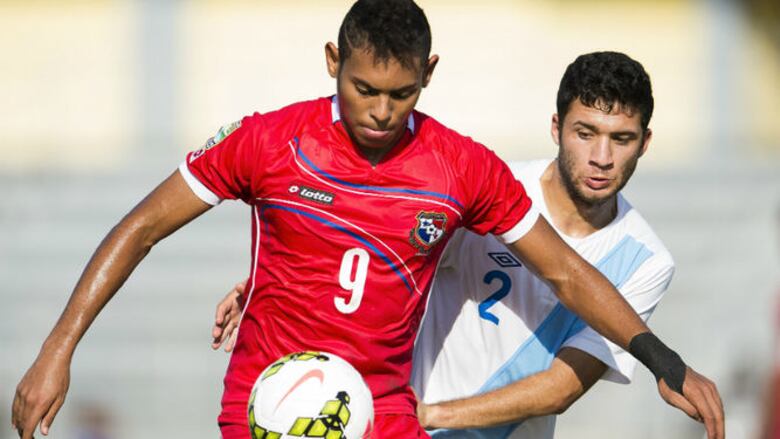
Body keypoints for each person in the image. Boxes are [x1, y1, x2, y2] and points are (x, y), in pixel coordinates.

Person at [12, 2, 722, 439]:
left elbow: (565, 268)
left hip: (388, 410)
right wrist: (57, 349)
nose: (382, 111)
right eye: (364, 89)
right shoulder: (266, 141)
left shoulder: (461, 167)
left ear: (430, 73)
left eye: (401, 92)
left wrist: (666, 361)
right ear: (332, 63)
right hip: (273, 399)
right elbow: (139, 226)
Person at [213, 51, 725, 438]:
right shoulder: (493, 191)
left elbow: (563, 386)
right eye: (585, 133)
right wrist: (266, 284)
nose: (601, 157)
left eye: (621, 138)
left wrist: (434, 413)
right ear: (556, 128)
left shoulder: (644, 257)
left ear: (646, 142)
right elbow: (383, 249)